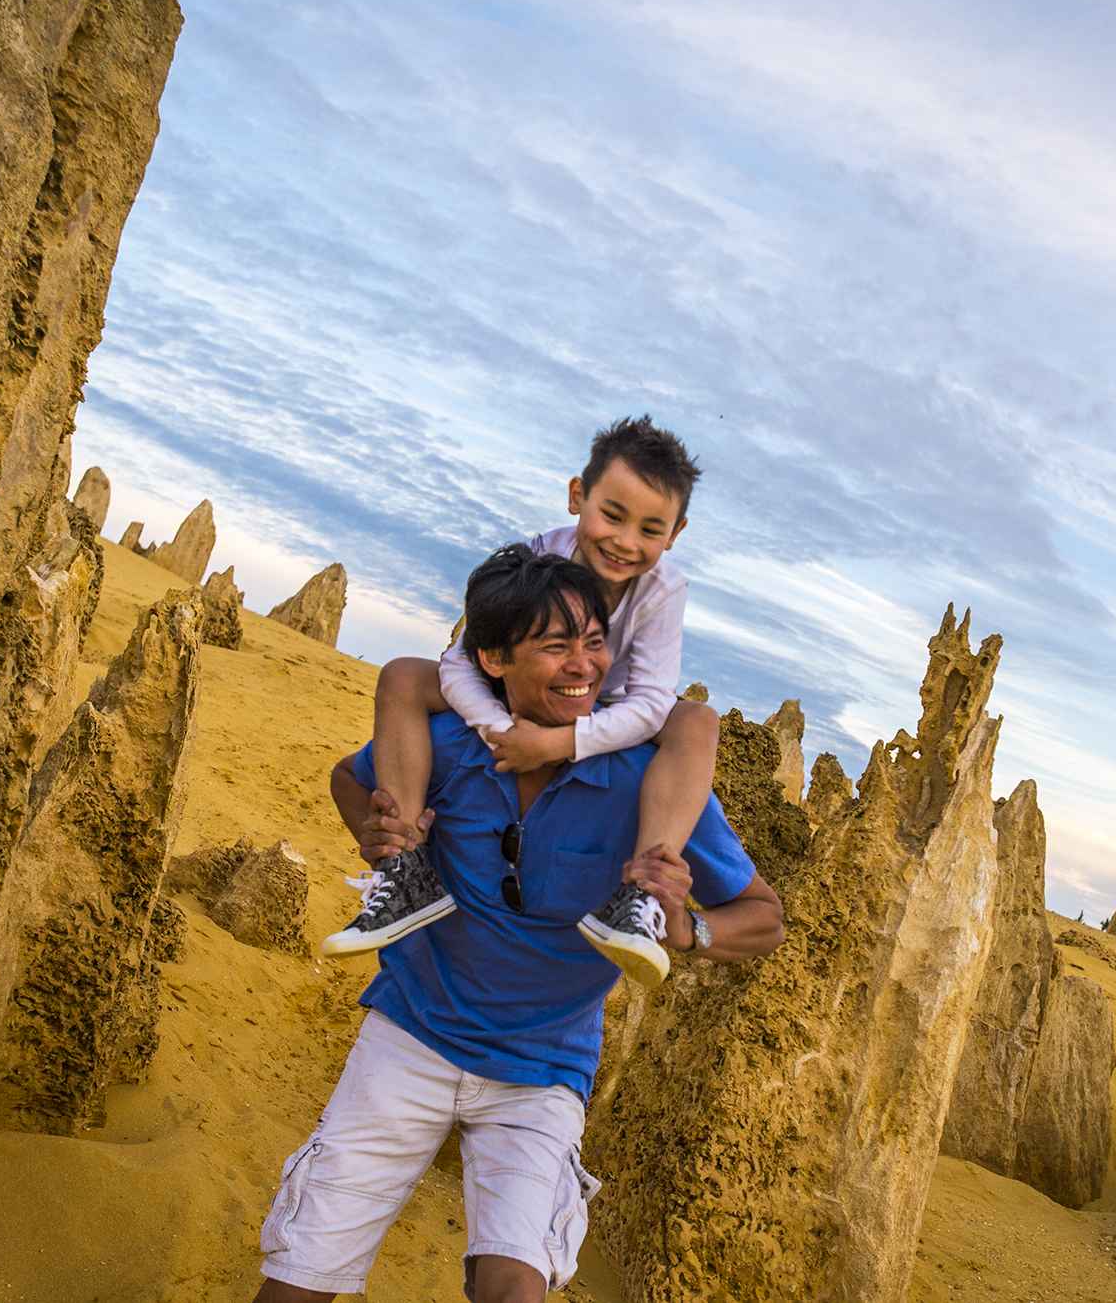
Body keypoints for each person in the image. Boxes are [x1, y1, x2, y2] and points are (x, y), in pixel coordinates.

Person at [255, 546, 784, 1303]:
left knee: (514, 1288)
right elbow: (351, 776)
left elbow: (765, 918)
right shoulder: (443, 745)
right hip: (411, 1033)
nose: (584, 666)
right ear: (492, 659)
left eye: (595, 641)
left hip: (543, 1070)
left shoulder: (647, 779)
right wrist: (379, 839)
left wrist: (688, 929)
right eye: (557, 645)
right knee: (297, 1279)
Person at [319, 417, 719, 986]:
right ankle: (403, 867)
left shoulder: (663, 591)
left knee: (696, 721)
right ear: (578, 497)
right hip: (525, 699)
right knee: (406, 675)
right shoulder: (539, 555)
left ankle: (640, 899)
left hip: (611, 709)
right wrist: (495, 726)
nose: (626, 541)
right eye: (612, 514)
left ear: (675, 533)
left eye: (651, 529)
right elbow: (462, 659)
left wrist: (558, 744)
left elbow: (653, 704)